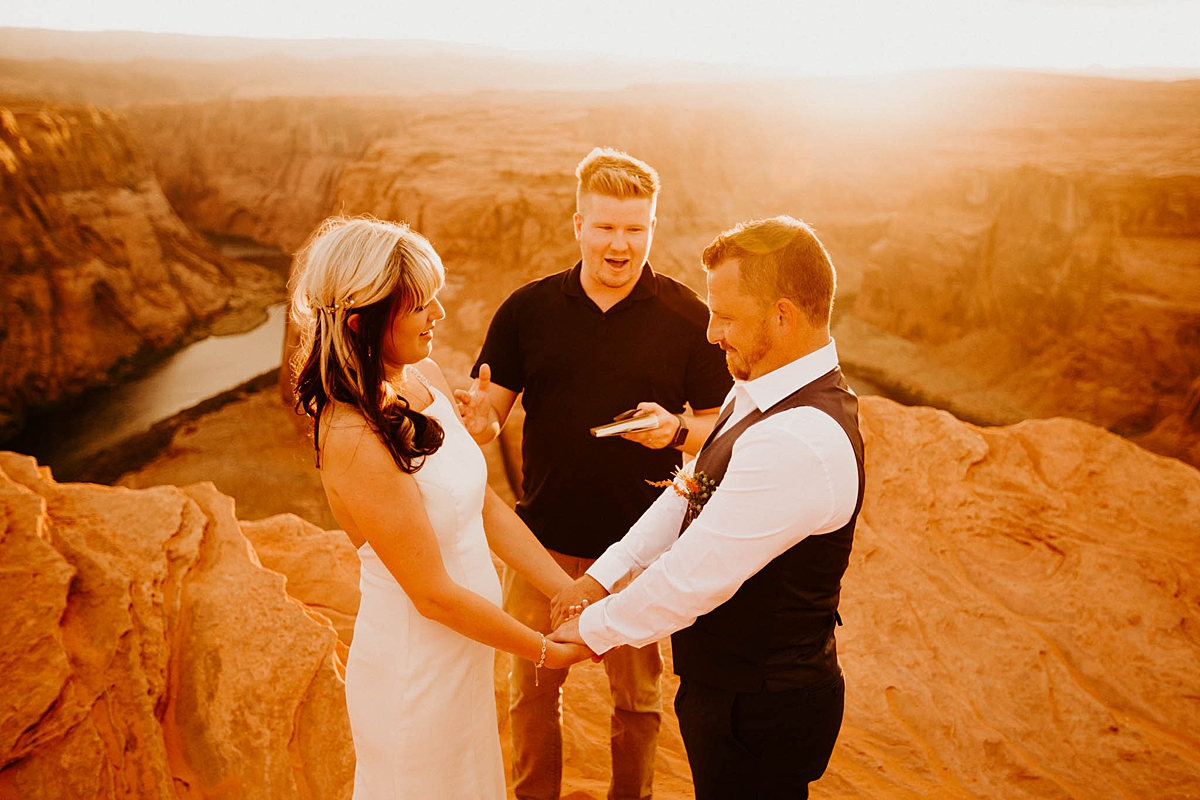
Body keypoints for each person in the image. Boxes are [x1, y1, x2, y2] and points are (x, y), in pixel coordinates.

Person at [551, 216, 865, 800]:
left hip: (763, 710)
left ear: (782, 316)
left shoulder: (798, 436)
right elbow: (686, 489)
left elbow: (694, 575)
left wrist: (592, 632)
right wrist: (601, 576)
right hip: (729, 694)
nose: (711, 332)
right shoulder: (754, 392)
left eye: (725, 316)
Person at [455, 148, 733, 800]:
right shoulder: (526, 312)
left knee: (637, 706)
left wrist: (675, 429)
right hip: (538, 542)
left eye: (635, 227)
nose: (620, 242)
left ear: (652, 228)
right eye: (605, 226)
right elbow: (490, 420)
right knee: (528, 694)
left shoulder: (689, 318)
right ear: (576, 224)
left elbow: (723, 430)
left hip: (640, 554)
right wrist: (475, 419)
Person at [289, 216, 593, 800]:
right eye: (421, 304)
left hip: (465, 657)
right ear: (363, 322)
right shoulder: (351, 436)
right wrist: (544, 650)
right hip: (415, 677)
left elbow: (482, 505)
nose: (440, 315)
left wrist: (565, 590)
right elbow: (430, 594)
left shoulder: (421, 375)